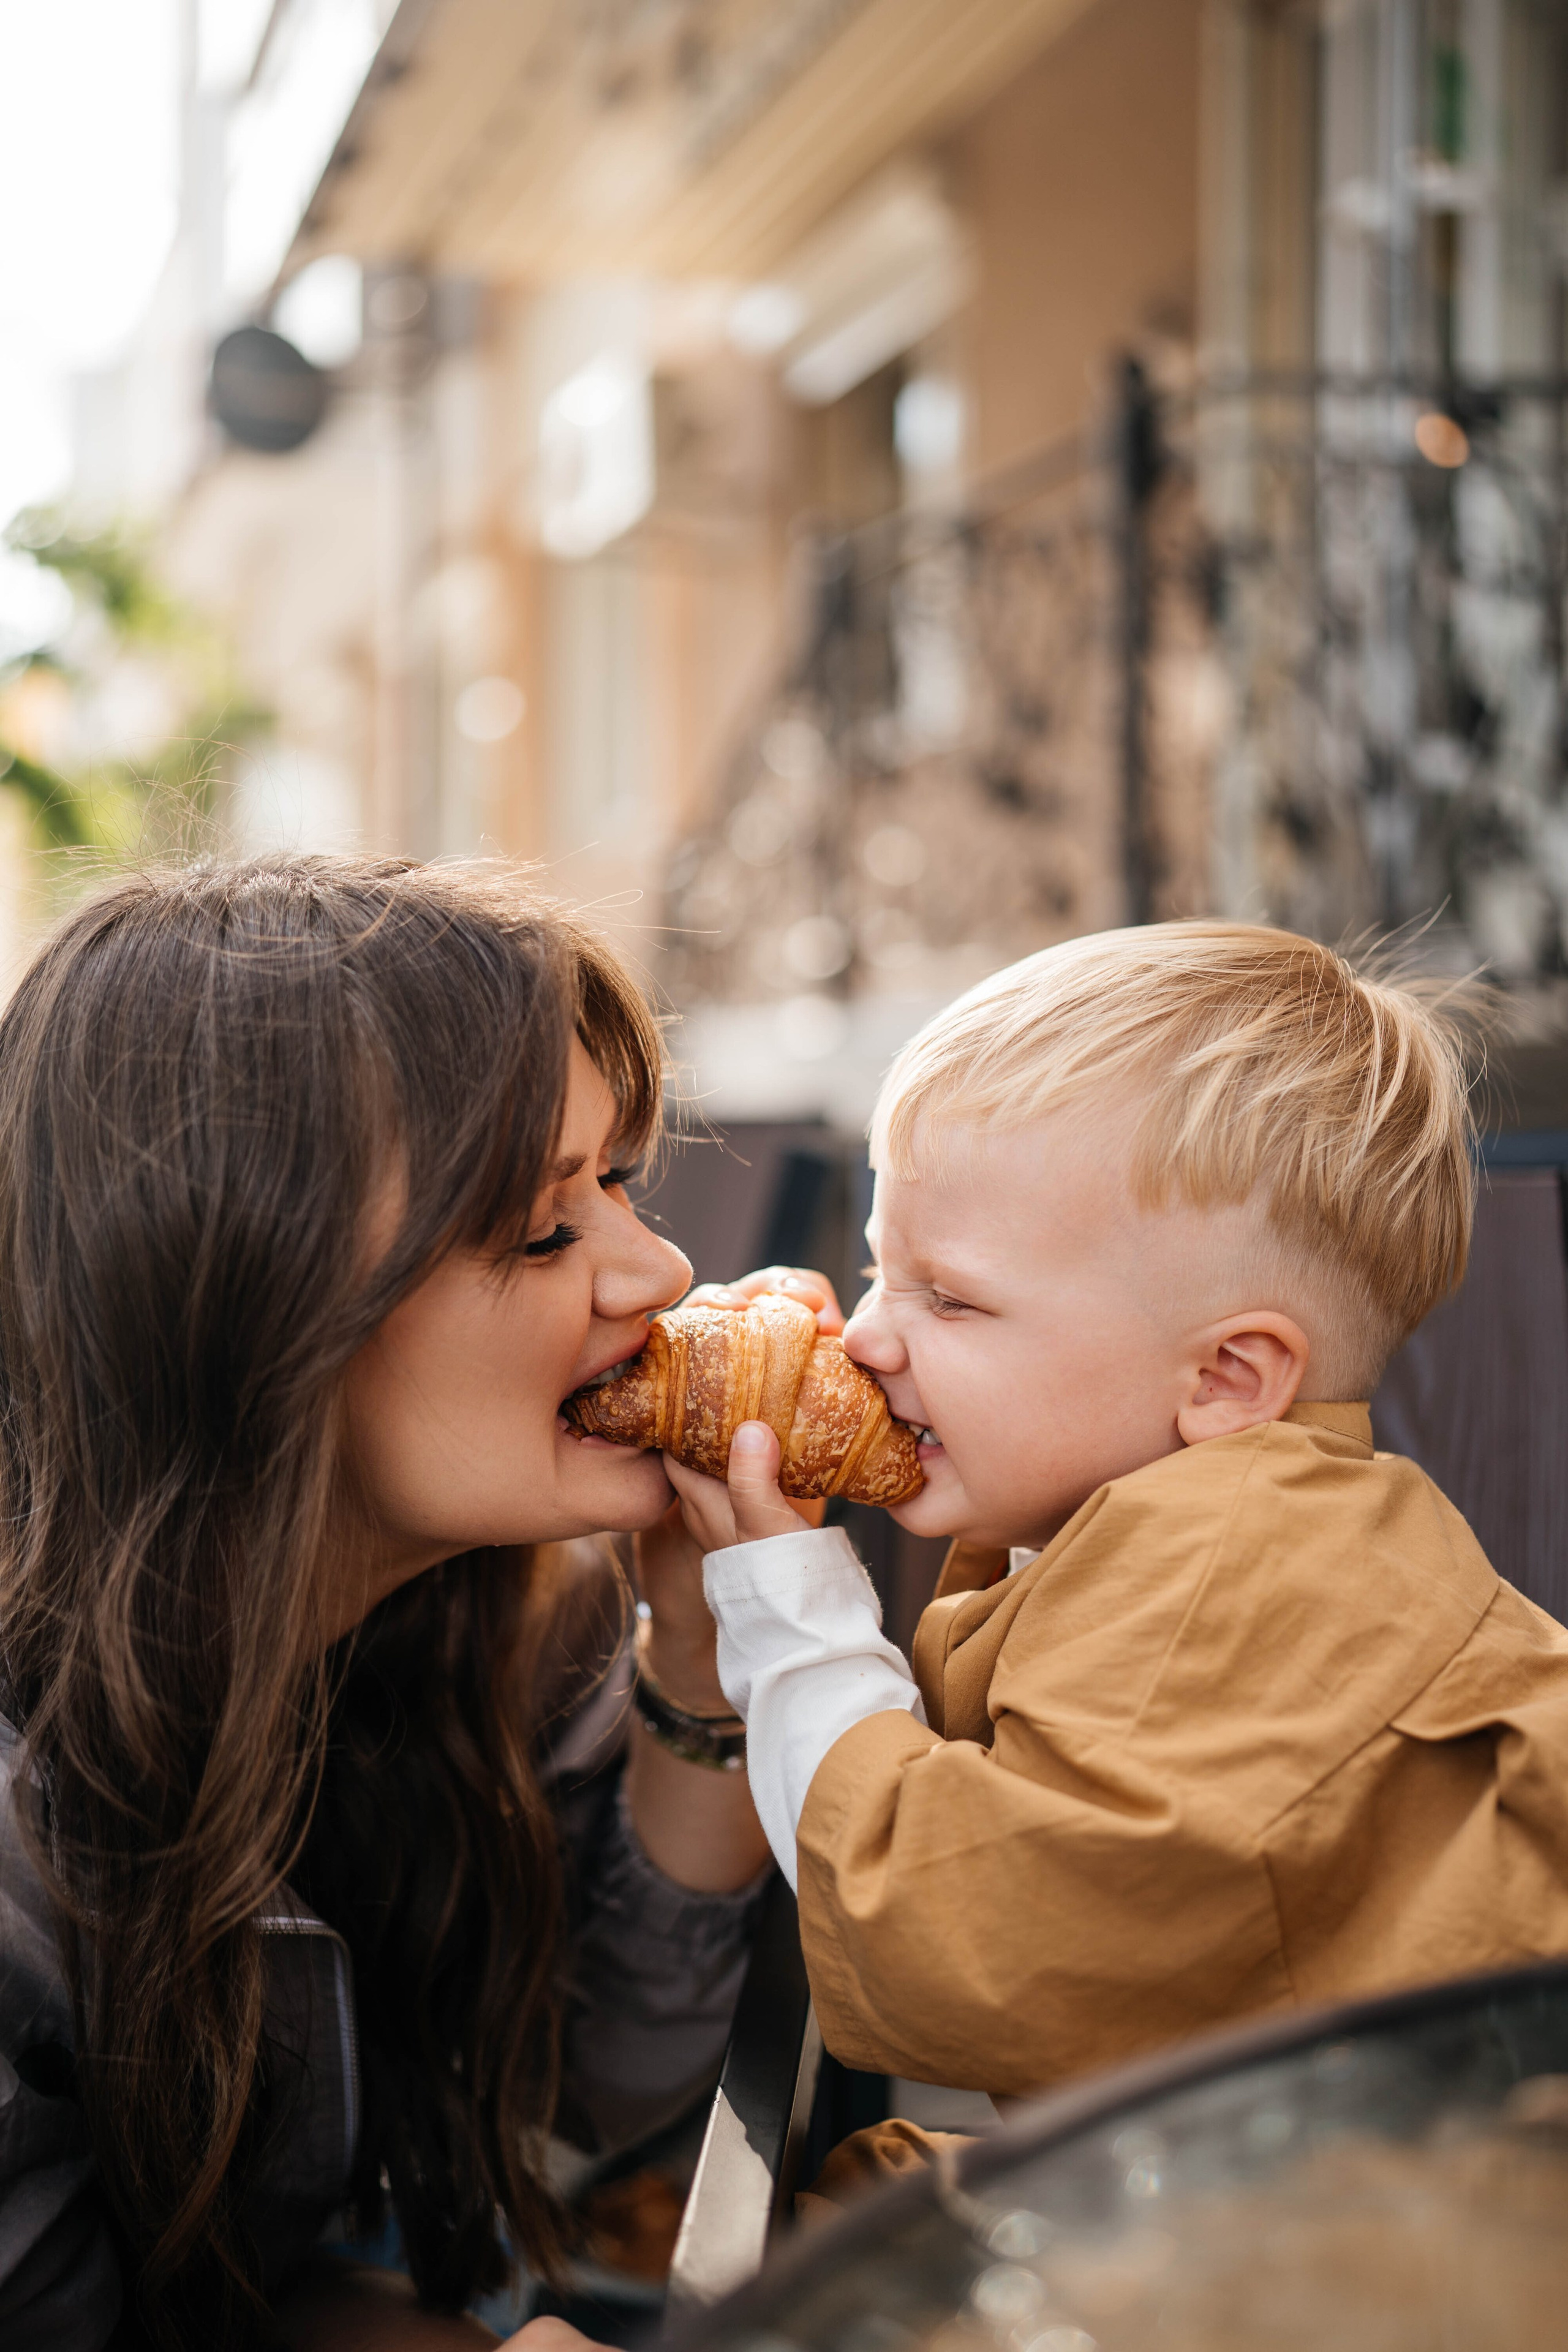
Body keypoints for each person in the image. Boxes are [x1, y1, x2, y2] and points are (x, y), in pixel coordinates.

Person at [0, 857, 783, 2352]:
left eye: (618, 1182)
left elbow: (585, 2082)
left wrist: (700, 1648)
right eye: (543, 1231)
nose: (664, 1269)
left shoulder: (490, 1620)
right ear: (250, 1311)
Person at [673, 922, 1568, 2100]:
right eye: (884, 1270)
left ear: (1226, 1379)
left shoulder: (1223, 1569)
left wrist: (795, 1617)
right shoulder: (1212, 1519)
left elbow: (959, 1940)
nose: (871, 1333)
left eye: (952, 1300)